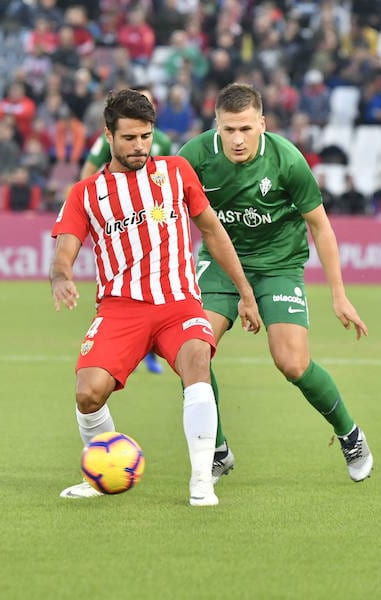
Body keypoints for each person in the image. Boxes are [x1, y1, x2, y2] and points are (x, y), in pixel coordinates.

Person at [51, 89, 262, 506]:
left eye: (145, 136)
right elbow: (64, 252)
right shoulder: (85, 193)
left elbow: (214, 232)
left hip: (178, 302)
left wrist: (245, 291)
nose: (139, 146)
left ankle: (202, 479)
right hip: (120, 309)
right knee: (87, 393)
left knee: (197, 363)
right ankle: (103, 472)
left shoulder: (177, 172)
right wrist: (61, 276)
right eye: (129, 138)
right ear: (107, 136)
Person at [177, 83, 373, 484]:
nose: (237, 139)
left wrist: (339, 295)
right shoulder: (194, 158)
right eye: (228, 129)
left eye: (246, 129)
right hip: (220, 263)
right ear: (216, 124)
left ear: (262, 124)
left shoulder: (288, 161)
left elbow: (320, 225)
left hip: (278, 265)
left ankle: (349, 433)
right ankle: (217, 451)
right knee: (192, 353)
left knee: (292, 362)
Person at [80, 84, 174, 376]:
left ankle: (150, 349)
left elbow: (161, 174)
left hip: (149, 217)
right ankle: (127, 343)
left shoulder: (164, 142)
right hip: (116, 213)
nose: (139, 143)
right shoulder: (106, 140)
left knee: (153, 287)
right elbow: (90, 168)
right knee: (122, 286)